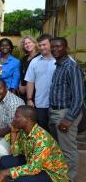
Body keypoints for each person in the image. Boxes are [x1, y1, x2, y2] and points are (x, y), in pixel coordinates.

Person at [0, 106, 69, 182]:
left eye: (17, 116)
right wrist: (13, 132)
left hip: (51, 174)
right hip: (34, 164)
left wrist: (7, 172)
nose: (14, 119)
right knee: (4, 161)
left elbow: (34, 168)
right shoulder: (23, 132)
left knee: (21, 180)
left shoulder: (42, 139)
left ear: (28, 119)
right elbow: (15, 153)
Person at [48, 37, 84, 181]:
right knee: (59, 149)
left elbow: (79, 96)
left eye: (58, 46)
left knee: (68, 150)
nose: (55, 49)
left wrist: (68, 118)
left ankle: (69, 178)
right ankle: (60, 176)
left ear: (66, 48)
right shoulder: (59, 65)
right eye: (53, 47)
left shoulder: (71, 66)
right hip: (55, 111)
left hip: (66, 113)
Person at [24, 34, 55, 130]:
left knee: (57, 133)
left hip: (58, 105)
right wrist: (29, 99)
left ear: (51, 44)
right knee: (43, 131)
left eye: (44, 45)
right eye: (40, 45)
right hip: (40, 103)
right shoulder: (34, 61)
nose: (42, 47)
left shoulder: (61, 60)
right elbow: (30, 81)